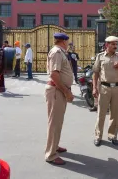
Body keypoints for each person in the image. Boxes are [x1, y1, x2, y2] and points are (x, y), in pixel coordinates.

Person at [92, 36, 118, 146]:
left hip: (117, 88)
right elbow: (95, 73)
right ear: (107, 45)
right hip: (104, 88)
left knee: (115, 114)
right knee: (101, 113)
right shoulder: (100, 57)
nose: (115, 46)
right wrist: (94, 88)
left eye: (116, 44)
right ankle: (98, 136)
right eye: (113, 44)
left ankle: (112, 135)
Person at [45, 33, 74, 165]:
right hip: (56, 91)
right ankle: (51, 154)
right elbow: (54, 74)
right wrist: (66, 91)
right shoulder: (57, 52)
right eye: (67, 41)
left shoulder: (61, 52)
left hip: (59, 90)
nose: (68, 43)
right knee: (54, 123)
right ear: (64, 41)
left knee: (58, 121)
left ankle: (55, 146)